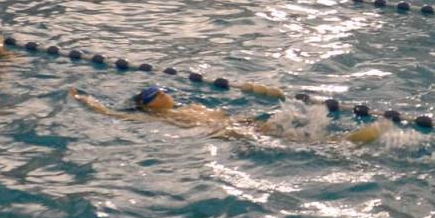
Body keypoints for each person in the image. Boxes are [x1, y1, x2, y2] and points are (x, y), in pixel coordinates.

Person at [71, 84, 379, 144]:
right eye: (155, 94)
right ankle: (341, 144)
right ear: (149, 105)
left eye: (162, 89)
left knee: (280, 128)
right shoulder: (156, 117)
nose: (163, 92)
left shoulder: (184, 107)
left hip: (231, 123)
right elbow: (114, 114)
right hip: (223, 133)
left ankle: (338, 141)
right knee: (287, 140)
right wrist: (86, 101)